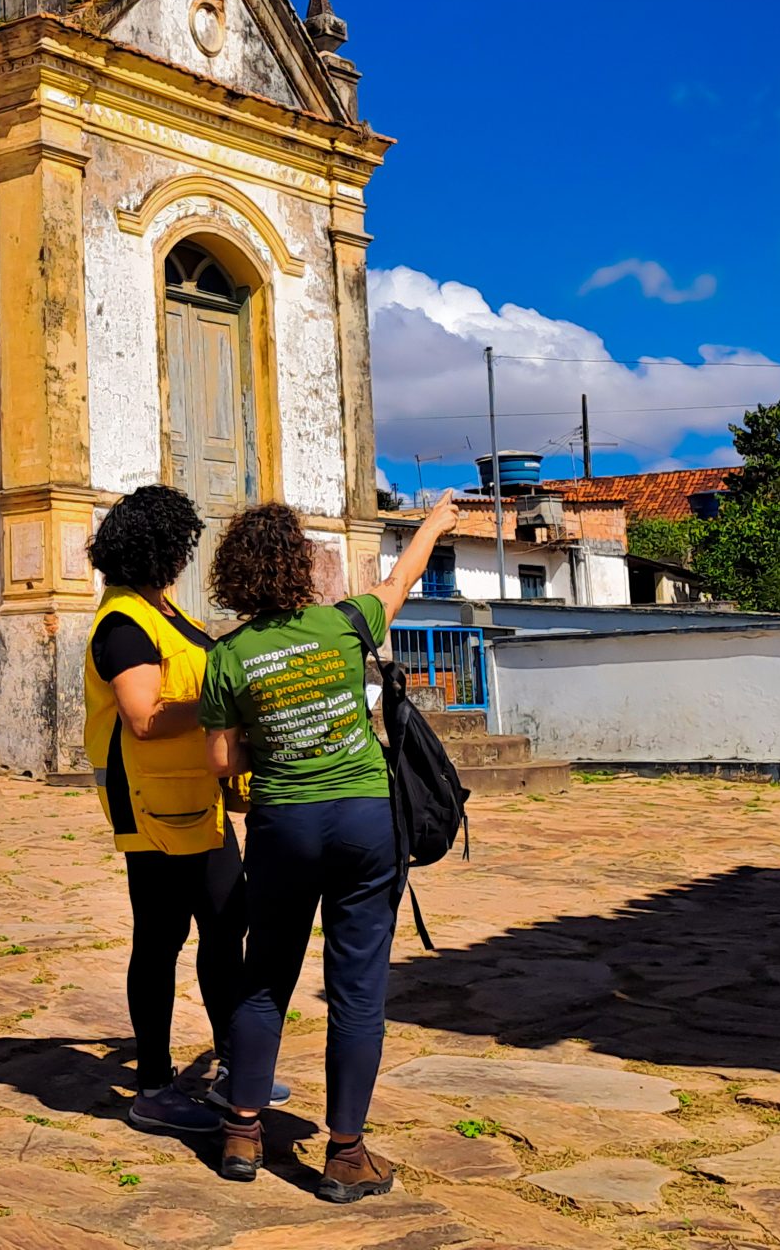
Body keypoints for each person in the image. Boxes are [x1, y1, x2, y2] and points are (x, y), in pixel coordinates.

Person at [201, 491, 463, 1196]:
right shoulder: (347, 622)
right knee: (357, 990)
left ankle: (242, 1132)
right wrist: (434, 523)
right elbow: (402, 579)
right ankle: (346, 1154)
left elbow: (221, 762)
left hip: (283, 826)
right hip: (364, 824)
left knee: (265, 976)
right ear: (300, 565)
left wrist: (269, 736)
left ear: (234, 576)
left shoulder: (228, 656)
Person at [83, 484, 255, 1137]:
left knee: (225, 926)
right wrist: (227, 703)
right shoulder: (124, 625)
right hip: (152, 808)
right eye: (181, 543)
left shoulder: (163, 609)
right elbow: (144, 716)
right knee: (159, 941)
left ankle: (237, 1066)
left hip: (194, 801)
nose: (187, 555)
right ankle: (153, 1086)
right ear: (158, 549)